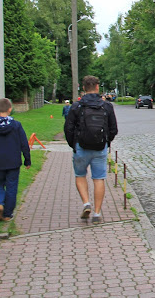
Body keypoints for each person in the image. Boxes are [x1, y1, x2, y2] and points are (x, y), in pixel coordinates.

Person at [64, 75, 118, 223]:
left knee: (80, 175)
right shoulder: (106, 106)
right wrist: (107, 142)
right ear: (97, 87)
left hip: (81, 147)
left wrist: (73, 145)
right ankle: (96, 213)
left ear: (83, 88)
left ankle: (86, 203)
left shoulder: (76, 106)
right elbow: (113, 129)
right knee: (99, 178)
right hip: (100, 148)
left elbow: (68, 128)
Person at [0, 98, 31, 222]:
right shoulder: (16, 125)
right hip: (13, 161)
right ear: (10, 109)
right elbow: (24, 144)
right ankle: (7, 214)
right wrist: (27, 160)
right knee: (11, 186)